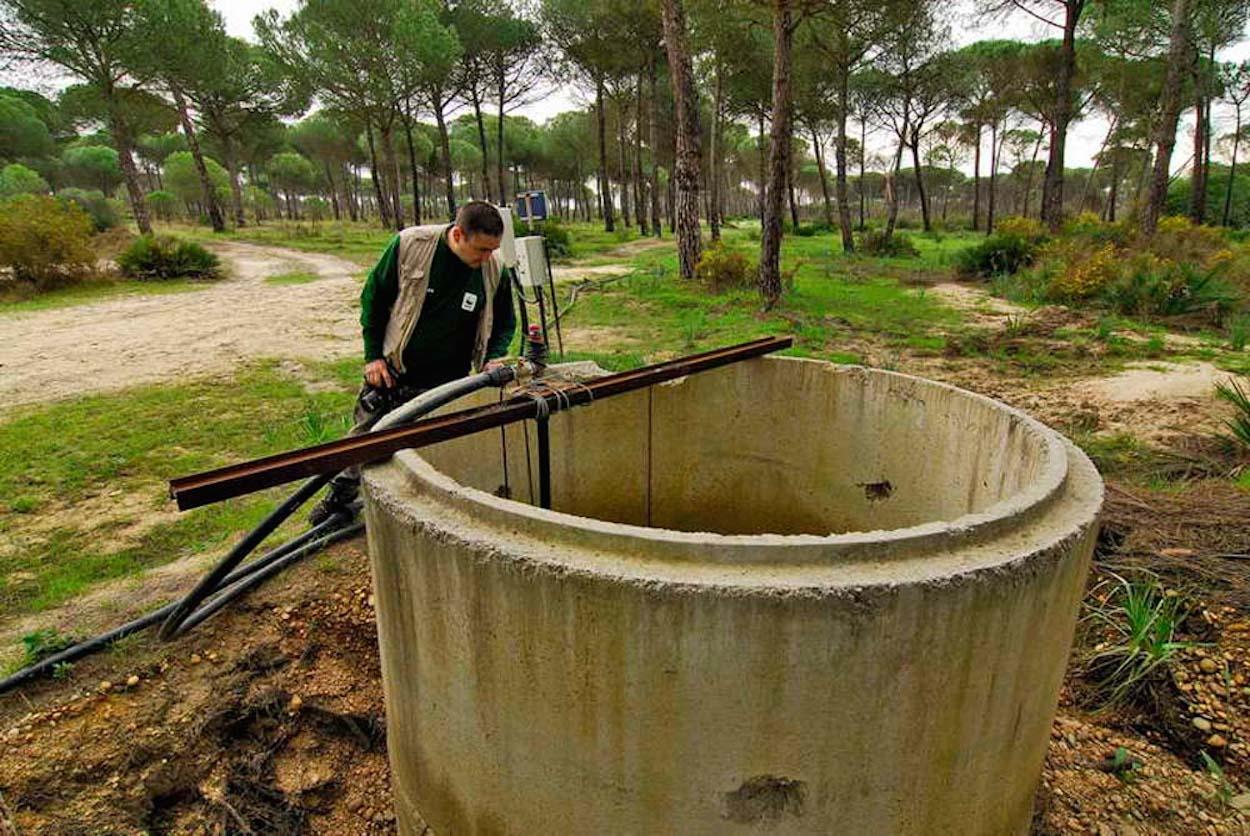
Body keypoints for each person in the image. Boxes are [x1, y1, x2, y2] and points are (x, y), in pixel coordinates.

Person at [308, 200, 517, 524]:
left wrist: (492, 359)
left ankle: (426, 513)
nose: (487, 257)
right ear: (459, 234)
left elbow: (505, 322)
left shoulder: (494, 268)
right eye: (481, 250)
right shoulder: (411, 246)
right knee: (365, 441)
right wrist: (373, 357)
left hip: (448, 384)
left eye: (493, 249)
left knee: (434, 455)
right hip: (394, 375)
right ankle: (339, 501)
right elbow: (373, 299)